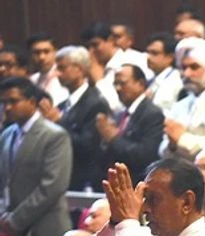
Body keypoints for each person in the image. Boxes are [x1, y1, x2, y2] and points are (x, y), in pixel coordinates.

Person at [0, 77, 73, 236]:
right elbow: (3, 182)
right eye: (4, 102)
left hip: (45, 234)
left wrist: (15, 220)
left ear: (32, 102)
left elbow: (52, 187)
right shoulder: (7, 135)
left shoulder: (55, 135)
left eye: (13, 101)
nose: (7, 107)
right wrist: (4, 215)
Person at [50, 45, 112, 192]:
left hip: (85, 180)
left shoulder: (96, 103)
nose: (57, 74)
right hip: (64, 176)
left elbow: (88, 145)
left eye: (62, 68)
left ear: (79, 69)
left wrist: (59, 122)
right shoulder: (62, 105)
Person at [98, 64, 164, 184]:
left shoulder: (152, 113)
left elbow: (147, 155)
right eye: (115, 84)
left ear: (140, 84)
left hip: (137, 183)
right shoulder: (120, 114)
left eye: (122, 83)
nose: (118, 88)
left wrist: (113, 139)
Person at [145, 32, 183, 115]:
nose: (149, 57)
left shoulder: (176, 81)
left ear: (170, 57)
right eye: (148, 52)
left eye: (154, 53)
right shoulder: (150, 80)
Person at [27, 33, 68, 107]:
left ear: (56, 52)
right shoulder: (31, 81)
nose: (41, 57)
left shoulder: (66, 76)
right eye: (37, 53)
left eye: (46, 52)